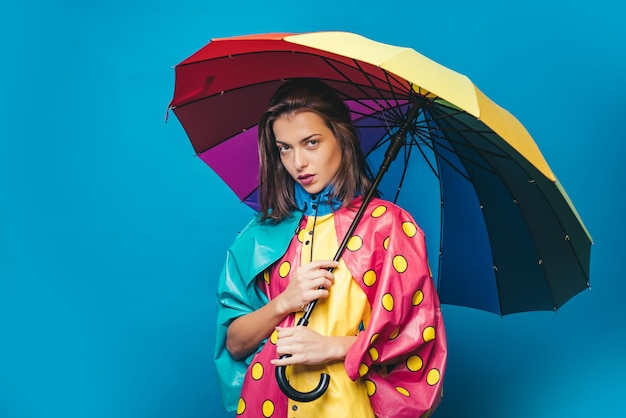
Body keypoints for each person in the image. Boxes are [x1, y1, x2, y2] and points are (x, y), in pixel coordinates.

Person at [214, 78, 447, 418]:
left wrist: (333, 347)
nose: (298, 163)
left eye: (311, 143)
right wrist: (284, 302)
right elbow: (234, 344)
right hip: (269, 404)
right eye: (285, 148)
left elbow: (416, 339)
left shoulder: (388, 227)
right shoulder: (260, 234)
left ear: (341, 137)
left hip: (348, 405)